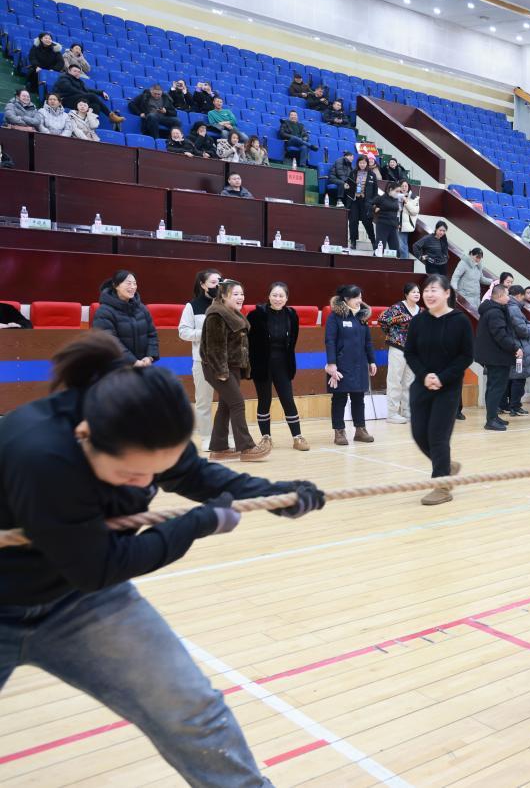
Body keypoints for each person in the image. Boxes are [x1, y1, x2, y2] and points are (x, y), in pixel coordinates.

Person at [0, 332, 325, 787]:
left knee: (192, 710)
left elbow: (193, 473)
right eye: (131, 474)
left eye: (153, 472)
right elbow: (99, 567)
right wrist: (195, 524)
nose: (146, 483)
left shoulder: (142, 416)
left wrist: (275, 495)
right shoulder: (42, 454)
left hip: (75, 600)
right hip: (54, 585)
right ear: (84, 435)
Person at [404, 275, 474, 505]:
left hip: (448, 388)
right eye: (426, 290)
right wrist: (425, 376)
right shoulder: (418, 321)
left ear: (447, 293)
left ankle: (442, 486)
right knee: (419, 434)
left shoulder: (460, 321)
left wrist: (442, 378)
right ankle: (446, 466)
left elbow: (466, 356)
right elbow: (410, 352)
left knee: (437, 436)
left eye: (434, 290)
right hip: (421, 385)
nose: (428, 294)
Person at [201, 279, 270, 462]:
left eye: (242, 294)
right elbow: (214, 349)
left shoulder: (233, 313)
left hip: (232, 367)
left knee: (226, 405)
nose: (241, 297)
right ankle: (246, 447)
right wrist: (221, 372)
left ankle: (219, 448)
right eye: (236, 294)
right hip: (218, 368)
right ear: (224, 296)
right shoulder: (216, 315)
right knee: (238, 403)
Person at [247, 283, 308, 452]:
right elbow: (249, 342)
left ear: (286, 298)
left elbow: (292, 341)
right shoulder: (256, 315)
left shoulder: (292, 315)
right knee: (264, 400)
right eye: (274, 295)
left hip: (283, 364)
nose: (278, 299)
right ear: (268, 296)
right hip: (262, 365)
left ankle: (297, 437)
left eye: (281, 296)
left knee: (288, 399)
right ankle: (266, 438)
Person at [324, 285, 377, 446]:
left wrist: (371, 361)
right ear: (346, 299)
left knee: (359, 397)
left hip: (359, 364)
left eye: (360, 297)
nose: (360, 300)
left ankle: (360, 430)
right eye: (356, 297)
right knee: (339, 398)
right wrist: (332, 364)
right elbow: (330, 341)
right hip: (340, 365)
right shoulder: (335, 317)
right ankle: (339, 431)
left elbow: (368, 341)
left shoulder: (361, 317)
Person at [178, 270, 221, 448]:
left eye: (220, 282)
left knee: (229, 400)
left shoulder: (225, 304)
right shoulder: (192, 306)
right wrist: (205, 332)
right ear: (203, 285)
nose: (217, 286)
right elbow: (183, 332)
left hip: (225, 360)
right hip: (202, 360)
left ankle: (228, 436)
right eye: (213, 283)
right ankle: (206, 437)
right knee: (204, 401)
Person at [474, 284, 520, 431]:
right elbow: (500, 335)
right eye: (507, 294)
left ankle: (493, 416)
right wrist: (515, 347)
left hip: (494, 356)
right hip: (496, 356)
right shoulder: (495, 312)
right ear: (499, 296)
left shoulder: (492, 309)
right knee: (496, 388)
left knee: (493, 387)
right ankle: (491, 420)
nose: (509, 298)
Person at [93, 271, 158, 367]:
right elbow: (110, 341)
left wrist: (150, 357)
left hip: (142, 366)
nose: (133, 287)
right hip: (115, 368)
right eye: (128, 283)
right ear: (116, 285)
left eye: (134, 283)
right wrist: (132, 361)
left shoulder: (142, 309)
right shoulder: (104, 312)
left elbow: (152, 334)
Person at [378, 283, 421, 424]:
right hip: (398, 348)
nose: (417, 294)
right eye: (413, 292)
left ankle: (407, 411)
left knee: (410, 381)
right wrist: (394, 333)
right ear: (406, 294)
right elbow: (382, 320)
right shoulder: (397, 308)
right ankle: (392, 413)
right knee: (395, 380)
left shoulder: (421, 311)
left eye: (418, 292)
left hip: (413, 351)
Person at [502, 286, 530, 417]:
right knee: (519, 378)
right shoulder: (514, 308)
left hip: (512, 346)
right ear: (519, 295)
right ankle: (515, 406)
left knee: (511, 378)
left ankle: (506, 405)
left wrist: (528, 324)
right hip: (519, 347)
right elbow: (522, 330)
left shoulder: (507, 306)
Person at [51, 65, 123, 124]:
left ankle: (89, 125)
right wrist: (85, 94)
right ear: (69, 71)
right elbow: (70, 89)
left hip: (76, 99)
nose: (77, 73)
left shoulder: (79, 81)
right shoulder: (63, 78)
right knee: (91, 96)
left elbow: (87, 90)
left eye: (79, 72)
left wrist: (101, 92)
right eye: (75, 71)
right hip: (65, 100)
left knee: (95, 106)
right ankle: (110, 115)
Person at [344, 156, 378, 250]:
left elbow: (375, 191)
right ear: (358, 163)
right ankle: (353, 241)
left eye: (364, 163)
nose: (362, 164)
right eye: (360, 163)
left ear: (367, 163)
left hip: (366, 202)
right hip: (354, 201)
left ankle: (373, 241)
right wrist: (347, 187)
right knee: (353, 221)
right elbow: (348, 186)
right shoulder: (353, 173)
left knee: (367, 222)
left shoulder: (372, 175)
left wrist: (372, 202)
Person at [371, 180, 402, 256]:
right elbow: (370, 204)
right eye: (397, 191)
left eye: (399, 191)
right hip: (382, 225)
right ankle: (375, 261)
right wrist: (375, 208)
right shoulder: (381, 198)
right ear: (391, 189)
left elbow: (397, 214)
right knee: (380, 248)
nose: (398, 193)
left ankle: (394, 263)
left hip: (393, 226)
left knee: (396, 249)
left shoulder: (396, 200)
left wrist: (398, 223)